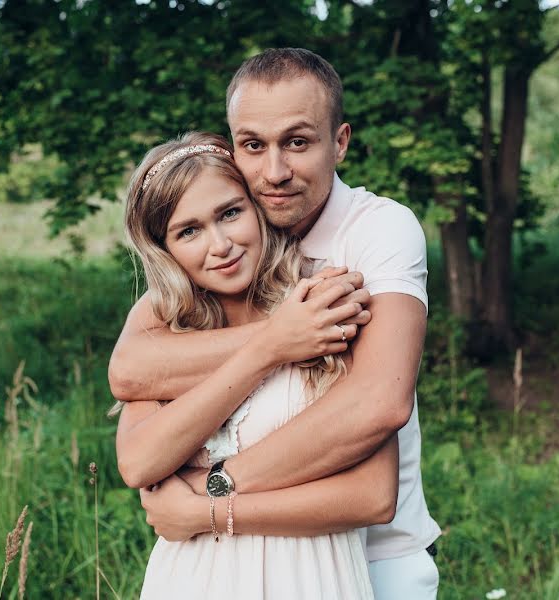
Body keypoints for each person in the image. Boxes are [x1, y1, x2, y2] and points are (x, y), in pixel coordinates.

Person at [110, 48, 441, 599]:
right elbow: (129, 370)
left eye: (298, 142)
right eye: (254, 146)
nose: (274, 173)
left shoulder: (367, 243)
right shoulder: (215, 264)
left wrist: (212, 495)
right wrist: (278, 340)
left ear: (339, 142)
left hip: (368, 558)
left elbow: (378, 407)